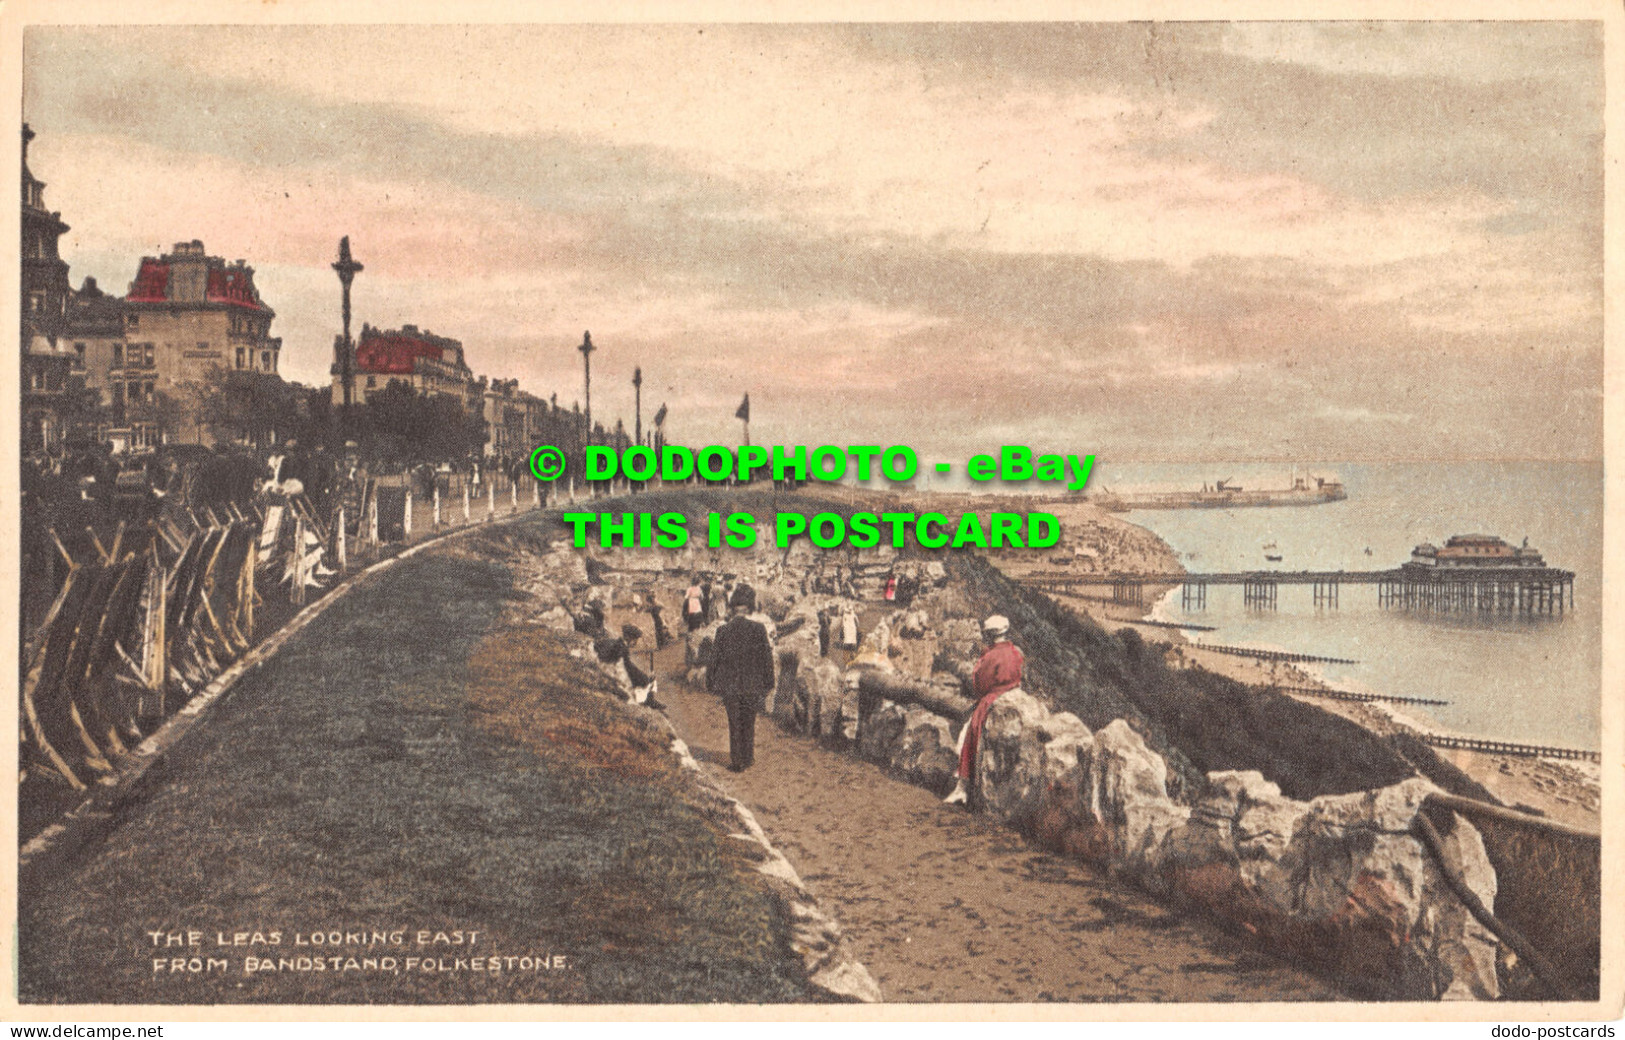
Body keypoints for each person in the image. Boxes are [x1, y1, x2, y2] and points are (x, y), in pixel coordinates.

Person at [944, 615, 1025, 806]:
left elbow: (980, 684)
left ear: (990, 634)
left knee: (969, 734)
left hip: (994, 698)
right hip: (1015, 696)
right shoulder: (1015, 652)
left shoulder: (991, 656)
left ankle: (962, 786)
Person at [706, 584, 775, 772]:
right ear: (749, 607)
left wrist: (710, 682)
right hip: (753, 684)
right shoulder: (759, 629)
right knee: (749, 721)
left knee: (734, 722)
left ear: (733, 608)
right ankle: (748, 756)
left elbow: (713, 660)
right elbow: (766, 658)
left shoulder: (723, 631)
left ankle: (737, 761)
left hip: (730, 685)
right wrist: (769, 682)